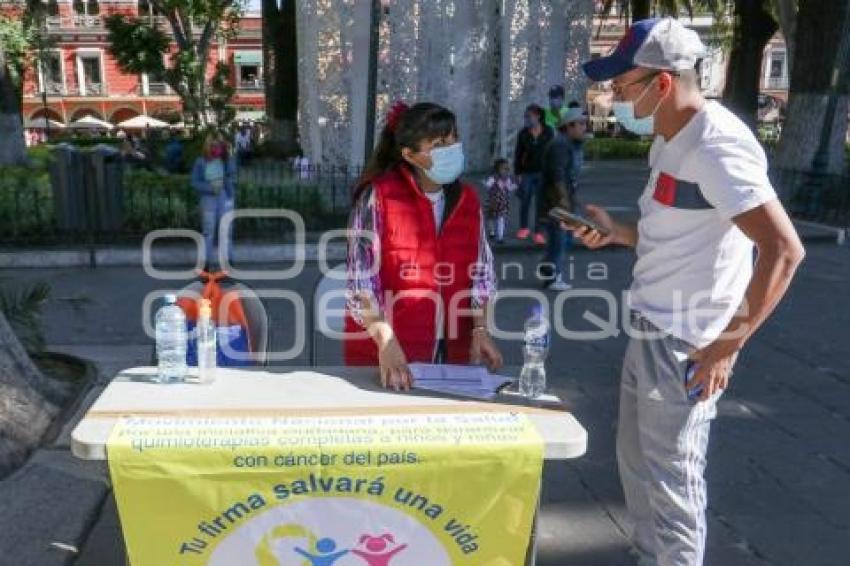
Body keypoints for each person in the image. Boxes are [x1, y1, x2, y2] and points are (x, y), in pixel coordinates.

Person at [572, 18, 804, 565]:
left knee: (672, 484)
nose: (614, 97)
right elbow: (674, 229)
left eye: (622, 86)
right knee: (638, 469)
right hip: (650, 327)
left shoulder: (717, 147)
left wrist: (728, 344)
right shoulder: (671, 137)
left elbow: (784, 250)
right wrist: (616, 233)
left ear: (662, 84)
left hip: (686, 342)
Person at [344, 101, 503, 391]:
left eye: (454, 138)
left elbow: (483, 274)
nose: (452, 148)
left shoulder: (467, 200)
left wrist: (481, 329)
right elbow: (361, 282)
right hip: (387, 351)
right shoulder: (378, 197)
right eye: (440, 143)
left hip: (453, 352)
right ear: (410, 155)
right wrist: (386, 340)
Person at [539, 106, 587, 291]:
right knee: (559, 240)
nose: (584, 128)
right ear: (569, 126)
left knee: (564, 239)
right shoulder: (560, 145)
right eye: (580, 124)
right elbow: (557, 176)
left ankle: (548, 267)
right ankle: (552, 277)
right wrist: (564, 201)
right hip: (556, 203)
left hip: (563, 200)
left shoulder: (570, 144)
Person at [191, 132, 237, 268]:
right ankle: (205, 264)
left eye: (220, 145)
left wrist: (227, 157)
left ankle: (228, 264)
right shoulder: (201, 162)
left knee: (226, 231)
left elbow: (233, 176)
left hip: (225, 197)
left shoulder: (227, 160)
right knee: (208, 232)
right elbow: (195, 182)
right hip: (208, 199)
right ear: (208, 145)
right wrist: (210, 188)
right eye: (214, 145)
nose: (217, 148)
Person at [513, 104, 553, 245]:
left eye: (528, 116)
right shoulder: (523, 133)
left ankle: (538, 232)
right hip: (527, 173)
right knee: (525, 200)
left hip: (543, 172)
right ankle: (524, 228)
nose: (526, 119)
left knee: (541, 204)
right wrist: (517, 173)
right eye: (525, 117)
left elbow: (552, 153)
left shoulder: (548, 132)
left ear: (538, 116)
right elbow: (518, 154)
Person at [484, 158, 517, 244]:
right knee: (490, 218)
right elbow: (488, 185)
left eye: (507, 169)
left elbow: (509, 188)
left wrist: (515, 185)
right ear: (497, 169)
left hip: (502, 202)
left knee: (500, 219)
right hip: (492, 202)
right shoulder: (494, 178)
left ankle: (500, 237)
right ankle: (492, 232)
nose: (506, 171)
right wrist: (490, 184)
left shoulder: (507, 179)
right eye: (504, 168)